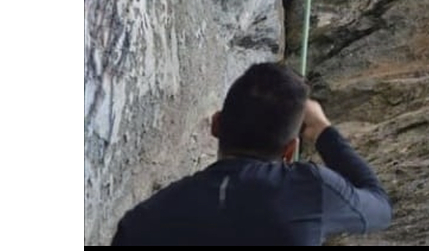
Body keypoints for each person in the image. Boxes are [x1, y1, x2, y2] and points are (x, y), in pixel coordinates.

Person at [111, 62, 391, 246]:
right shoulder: (311, 191)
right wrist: (323, 131)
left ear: (216, 124)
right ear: (289, 150)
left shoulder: (147, 218)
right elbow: (379, 207)